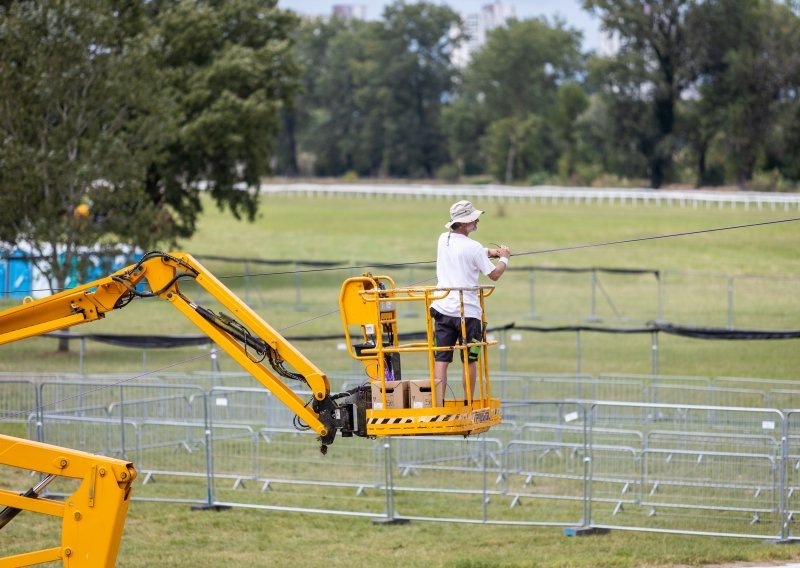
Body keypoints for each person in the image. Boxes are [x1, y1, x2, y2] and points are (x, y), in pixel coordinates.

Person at [430, 200, 510, 404]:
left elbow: (464, 251)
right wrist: (504, 258)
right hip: (468, 313)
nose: (477, 221)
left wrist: (487, 252)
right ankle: (468, 402)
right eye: (474, 218)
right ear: (465, 223)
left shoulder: (443, 239)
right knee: (470, 360)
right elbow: (494, 274)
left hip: (441, 307)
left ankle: (438, 401)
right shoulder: (473, 248)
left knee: (441, 359)